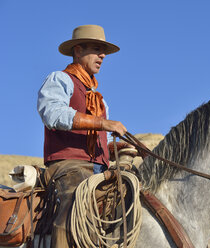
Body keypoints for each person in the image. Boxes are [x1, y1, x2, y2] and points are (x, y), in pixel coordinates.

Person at [37, 24, 128, 247]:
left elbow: (100, 141)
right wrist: (103, 123)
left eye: (103, 51)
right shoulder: (60, 79)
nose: (103, 55)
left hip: (101, 169)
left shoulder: (99, 99)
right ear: (78, 51)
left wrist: (124, 149)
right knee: (75, 203)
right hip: (68, 167)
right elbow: (53, 113)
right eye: (97, 49)